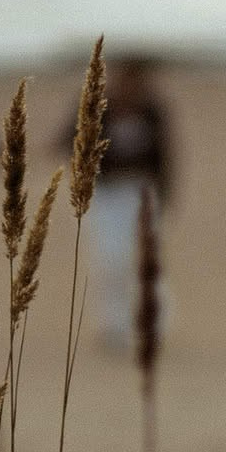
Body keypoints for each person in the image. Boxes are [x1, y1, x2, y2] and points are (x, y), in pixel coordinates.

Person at [64, 53, 174, 348]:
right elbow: (70, 141)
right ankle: (112, 324)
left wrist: (166, 197)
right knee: (110, 259)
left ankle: (152, 322)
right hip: (106, 194)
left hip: (141, 192)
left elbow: (166, 157)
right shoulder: (96, 105)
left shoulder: (152, 110)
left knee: (145, 260)